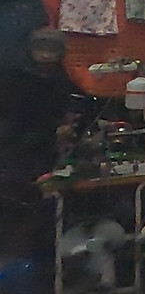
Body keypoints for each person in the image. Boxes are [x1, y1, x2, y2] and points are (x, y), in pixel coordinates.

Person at [0, 28, 77, 293]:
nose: (45, 56)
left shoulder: (61, 82)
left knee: (42, 213)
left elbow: (69, 111)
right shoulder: (14, 78)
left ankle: (39, 272)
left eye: (51, 51)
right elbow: (13, 122)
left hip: (42, 156)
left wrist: (64, 128)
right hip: (14, 155)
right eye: (41, 50)